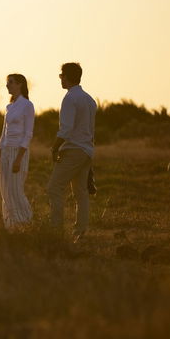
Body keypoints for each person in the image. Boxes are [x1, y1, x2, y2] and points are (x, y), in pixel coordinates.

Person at [47, 62, 97, 242]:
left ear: (67, 76)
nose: (60, 79)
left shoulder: (70, 98)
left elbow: (66, 129)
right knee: (80, 192)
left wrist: (54, 147)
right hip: (86, 150)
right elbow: (90, 130)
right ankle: (80, 232)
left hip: (73, 149)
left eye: (61, 75)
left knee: (54, 187)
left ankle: (55, 230)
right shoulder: (89, 99)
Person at [0, 74, 34, 229]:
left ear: (20, 84)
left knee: (16, 189)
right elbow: (4, 135)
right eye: (7, 82)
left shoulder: (27, 105)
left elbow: (28, 134)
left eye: (11, 82)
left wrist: (18, 159)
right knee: (5, 191)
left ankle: (26, 221)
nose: (7, 85)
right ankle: (11, 225)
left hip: (18, 151)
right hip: (6, 152)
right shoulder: (9, 107)